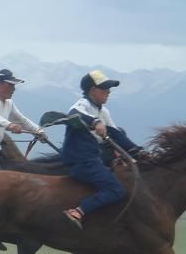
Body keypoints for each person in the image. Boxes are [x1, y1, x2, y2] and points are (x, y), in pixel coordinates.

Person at [61, 70, 146, 229]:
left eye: (109, 89)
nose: (108, 92)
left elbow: (117, 135)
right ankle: (78, 211)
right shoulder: (81, 105)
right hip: (82, 162)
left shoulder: (103, 111)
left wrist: (137, 150)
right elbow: (73, 115)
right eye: (105, 89)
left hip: (94, 159)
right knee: (116, 190)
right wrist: (95, 123)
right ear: (93, 91)